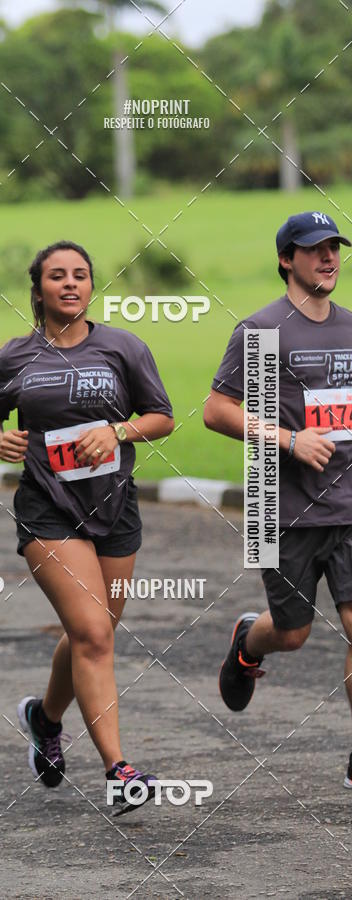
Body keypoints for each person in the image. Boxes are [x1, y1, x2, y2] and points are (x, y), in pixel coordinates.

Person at [0, 240, 174, 814]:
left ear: (90, 286)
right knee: (93, 634)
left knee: (93, 632)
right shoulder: (16, 357)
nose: (70, 284)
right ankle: (119, 769)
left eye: (80, 275)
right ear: (37, 290)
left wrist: (118, 432)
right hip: (47, 509)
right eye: (57, 276)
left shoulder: (123, 347)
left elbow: (162, 417)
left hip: (115, 507)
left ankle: (45, 717)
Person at [204, 211, 352, 788]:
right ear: (287, 259)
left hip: (349, 507)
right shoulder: (263, 330)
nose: (329, 258)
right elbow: (218, 412)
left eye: (334, 248)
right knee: (292, 633)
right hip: (281, 508)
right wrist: (290, 439)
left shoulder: (351, 328)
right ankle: (248, 641)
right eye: (314, 249)